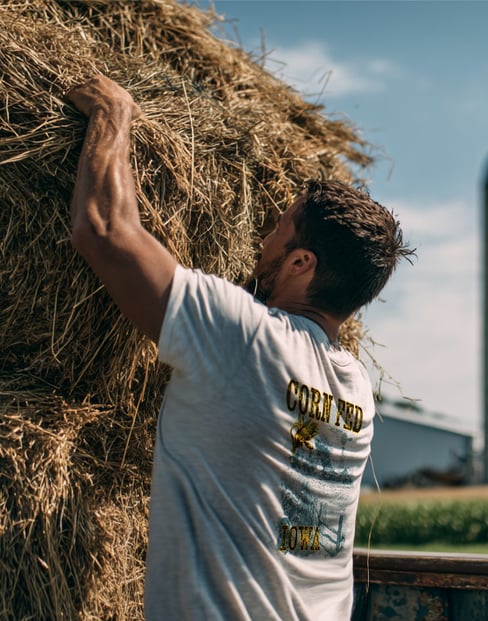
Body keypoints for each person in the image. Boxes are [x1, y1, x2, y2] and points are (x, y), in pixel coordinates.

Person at [67, 75, 413, 621]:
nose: (264, 241)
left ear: (301, 264)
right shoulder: (357, 392)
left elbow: (105, 230)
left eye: (279, 228)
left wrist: (114, 112)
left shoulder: (247, 336)